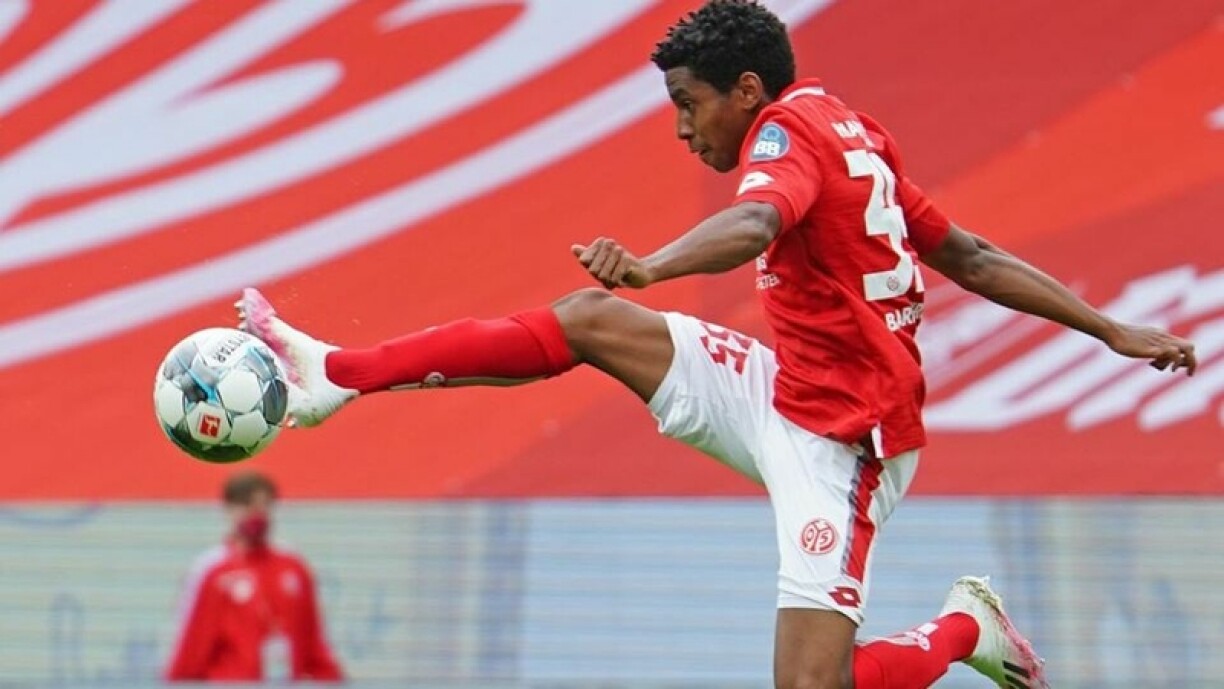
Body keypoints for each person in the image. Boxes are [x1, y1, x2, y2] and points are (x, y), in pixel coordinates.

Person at [234, 2, 1196, 687]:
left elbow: (755, 224)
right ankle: (334, 373)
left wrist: (652, 265)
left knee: (809, 686)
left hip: (848, 443)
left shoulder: (786, 135)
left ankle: (963, 627)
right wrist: (1109, 327)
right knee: (588, 320)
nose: (682, 127)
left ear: (747, 90)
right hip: (785, 389)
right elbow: (970, 255)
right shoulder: (854, 129)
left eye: (689, 103)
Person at [164, 471, 344, 682]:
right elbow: (192, 648)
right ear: (229, 509)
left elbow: (313, 639)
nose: (257, 514)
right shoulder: (212, 571)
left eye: (264, 505)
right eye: (247, 505)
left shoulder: (293, 567)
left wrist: (331, 677)